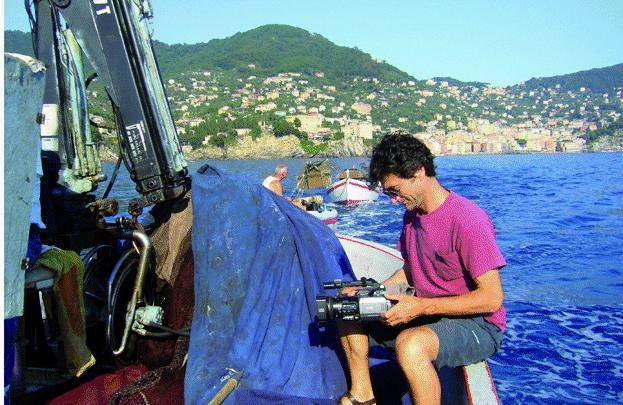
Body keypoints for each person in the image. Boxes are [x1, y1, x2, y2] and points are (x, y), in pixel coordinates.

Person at [338, 132, 506, 405]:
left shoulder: (467, 221)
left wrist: (420, 307)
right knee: (348, 311)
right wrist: (372, 291)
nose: (392, 200)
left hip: (477, 324)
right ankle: (362, 396)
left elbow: (492, 298)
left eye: (394, 191)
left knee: (410, 345)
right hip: (429, 311)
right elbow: (411, 269)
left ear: (418, 172)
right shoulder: (412, 216)